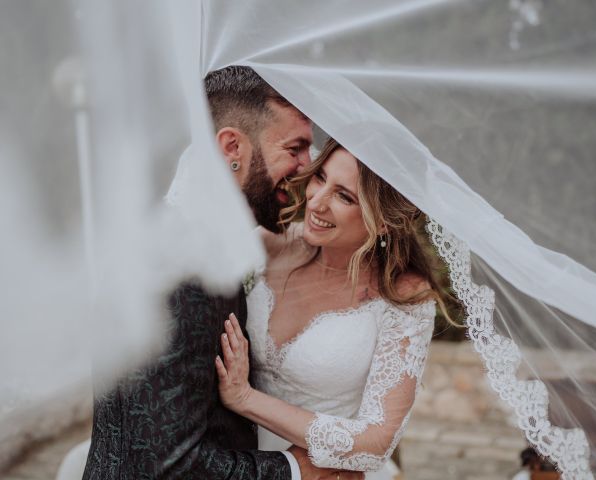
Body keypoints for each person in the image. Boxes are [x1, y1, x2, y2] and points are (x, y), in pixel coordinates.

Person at [76, 67, 362, 480]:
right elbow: (170, 464)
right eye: (295, 148)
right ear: (233, 147)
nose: (306, 165)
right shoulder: (184, 272)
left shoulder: (182, 240)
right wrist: (294, 470)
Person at [215, 138, 453, 479]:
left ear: (383, 220)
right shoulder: (270, 243)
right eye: (320, 178)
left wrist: (244, 398)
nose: (317, 202)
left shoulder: (406, 296)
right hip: (240, 466)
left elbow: (375, 443)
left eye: (344, 196)